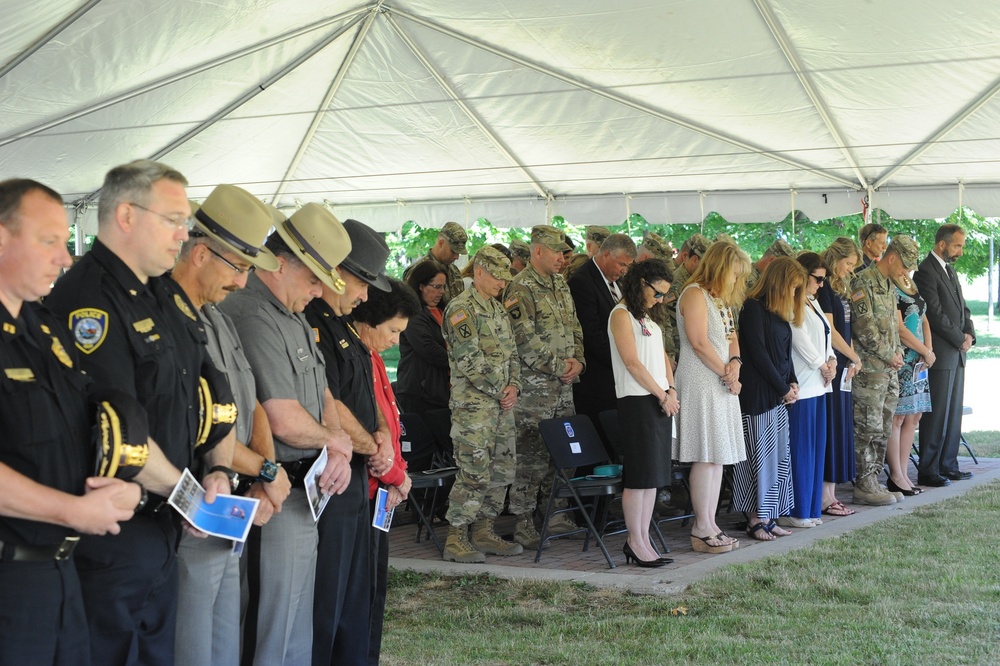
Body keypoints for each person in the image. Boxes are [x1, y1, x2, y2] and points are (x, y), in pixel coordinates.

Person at [46, 160, 234, 666]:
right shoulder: (89, 302)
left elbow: (210, 394)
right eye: (173, 220)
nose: (184, 234)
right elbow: (119, 430)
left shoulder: (164, 297)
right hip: (113, 538)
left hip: (161, 530)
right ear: (126, 215)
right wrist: (187, 495)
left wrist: (216, 469)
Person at [0, 178, 140, 666]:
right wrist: (71, 511)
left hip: (59, 577)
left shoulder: (43, 329)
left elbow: (85, 425)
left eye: (65, 242)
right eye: (48, 241)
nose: (64, 258)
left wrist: (124, 486)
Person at [217, 203, 354, 665]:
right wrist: (334, 443)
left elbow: (324, 395)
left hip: (302, 488)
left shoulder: (291, 313)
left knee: (293, 619)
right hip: (270, 491)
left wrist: (337, 445)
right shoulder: (252, 313)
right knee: (268, 623)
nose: (319, 292)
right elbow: (280, 416)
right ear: (280, 263)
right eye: (314, 278)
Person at [168, 186, 291, 666]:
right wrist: (264, 472)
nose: (244, 282)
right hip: (193, 507)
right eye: (238, 266)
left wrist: (264, 475)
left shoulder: (217, 317)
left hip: (232, 499)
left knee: (224, 639)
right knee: (193, 644)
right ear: (201, 253)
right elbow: (200, 425)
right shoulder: (169, 320)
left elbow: (253, 403)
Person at [304, 218, 395, 665]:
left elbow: (366, 392)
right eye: (362, 283)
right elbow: (330, 402)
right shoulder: (313, 324)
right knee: (329, 599)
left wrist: (381, 435)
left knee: (355, 596)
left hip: (358, 476)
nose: (364, 296)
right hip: (333, 478)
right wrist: (373, 446)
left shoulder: (341, 327)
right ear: (338, 272)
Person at [504, 225, 586, 549]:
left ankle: (555, 512)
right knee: (531, 457)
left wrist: (578, 361)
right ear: (537, 251)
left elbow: (576, 329)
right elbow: (523, 340)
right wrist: (559, 368)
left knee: (564, 452)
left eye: (564, 252)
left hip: (563, 388)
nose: (562, 258)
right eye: (556, 252)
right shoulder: (519, 288)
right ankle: (523, 521)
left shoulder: (561, 286)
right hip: (535, 390)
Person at [352, 278, 420, 663]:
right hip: (371, 487)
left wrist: (401, 473)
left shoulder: (374, 356)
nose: (395, 340)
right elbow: (373, 438)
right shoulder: (359, 355)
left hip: (386, 487)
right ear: (372, 319)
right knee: (361, 592)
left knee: (375, 593)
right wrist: (398, 477)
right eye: (393, 330)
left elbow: (391, 423)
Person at [442, 246, 522, 563]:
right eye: (497, 278)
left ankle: (483, 532)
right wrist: (501, 389)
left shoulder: (498, 309)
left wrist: (513, 385)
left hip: (502, 407)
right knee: (473, 472)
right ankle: (455, 538)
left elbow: (512, 355)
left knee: (502, 470)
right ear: (479, 272)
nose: (502, 284)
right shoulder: (461, 309)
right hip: (474, 408)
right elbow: (469, 360)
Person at [674, 240, 749, 554]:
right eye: (734, 273)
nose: (736, 280)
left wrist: (735, 365)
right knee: (706, 454)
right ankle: (701, 526)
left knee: (718, 455)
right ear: (719, 268)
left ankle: (710, 522)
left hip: (720, 379)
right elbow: (699, 342)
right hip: (700, 381)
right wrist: (725, 372)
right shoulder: (694, 294)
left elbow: (732, 339)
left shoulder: (721, 300)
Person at [608, 259, 679, 567]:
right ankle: (634, 540)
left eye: (663, 294)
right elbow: (632, 363)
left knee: (653, 477)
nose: (659, 299)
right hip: (638, 401)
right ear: (641, 283)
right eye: (657, 292)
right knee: (639, 476)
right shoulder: (620, 315)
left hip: (660, 399)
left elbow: (663, 357)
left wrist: (672, 390)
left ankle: (644, 537)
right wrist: (662, 394)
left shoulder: (647, 319)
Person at [731, 257, 805, 540]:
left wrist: (793, 381)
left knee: (776, 458)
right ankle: (755, 519)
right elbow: (759, 356)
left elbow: (785, 354)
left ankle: (769, 514)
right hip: (759, 394)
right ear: (778, 282)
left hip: (777, 394)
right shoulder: (753, 308)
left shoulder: (778, 313)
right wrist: (782, 387)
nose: (793, 293)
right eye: (792, 287)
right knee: (756, 458)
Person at [850, 235, 918, 506]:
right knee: (868, 427)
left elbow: (891, 324)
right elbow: (863, 327)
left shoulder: (889, 285)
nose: (906, 272)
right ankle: (863, 484)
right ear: (892, 258)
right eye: (904, 266)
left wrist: (897, 353)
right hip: (870, 371)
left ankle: (875, 480)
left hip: (889, 370)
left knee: (884, 428)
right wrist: (888, 353)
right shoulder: (862, 282)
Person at [913, 223, 976, 486]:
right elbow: (934, 314)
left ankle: (948, 464)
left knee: (952, 413)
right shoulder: (926, 272)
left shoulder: (949, 270)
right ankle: (928, 470)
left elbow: (963, 308)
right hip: (940, 353)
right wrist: (958, 338)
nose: (960, 251)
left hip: (957, 353)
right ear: (942, 244)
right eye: (957, 245)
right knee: (936, 413)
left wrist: (969, 333)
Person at [779, 252, 836, 529]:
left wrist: (832, 361)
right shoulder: (792, 303)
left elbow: (827, 335)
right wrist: (822, 364)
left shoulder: (812, 301)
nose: (821, 284)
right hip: (804, 383)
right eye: (818, 278)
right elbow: (799, 339)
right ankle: (797, 509)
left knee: (816, 449)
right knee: (801, 449)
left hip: (820, 385)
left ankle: (812, 507)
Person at [567, 233, 638, 455]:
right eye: (621, 264)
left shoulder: (619, 282)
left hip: (616, 377)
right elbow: (591, 334)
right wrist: (624, 361)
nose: (624, 270)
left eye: (628, 266)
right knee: (600, 445)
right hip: (597, 380)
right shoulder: (582, 281)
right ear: (606, 254)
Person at [816, 237, 863, 517]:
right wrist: (853, 356)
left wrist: (854, 356)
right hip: (832, 365)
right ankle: (824, 496)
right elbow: (831, 331)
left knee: (841, 426)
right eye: (848, 264)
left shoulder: (840, 287)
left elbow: (847, 329)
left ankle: (831, 493)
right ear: (836, 259)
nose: (849, 270)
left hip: (845, 364)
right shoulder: (825, 289)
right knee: (831, 427)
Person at [887, 267, 933, 496]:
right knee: (899, 416)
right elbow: (900, 328)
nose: (911, 266)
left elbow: (924, 319)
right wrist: (924, 350)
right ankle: (895, 475)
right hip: (903, 358)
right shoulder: (890, 285)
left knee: (915, 416)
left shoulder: (910, 283)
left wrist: (928, 351)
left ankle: (904, 473)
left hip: (920, 361)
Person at [397, 262, 449, 417]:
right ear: (420, 286)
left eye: (443, 287)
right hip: (420, 393)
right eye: (436, 287)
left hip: (441, 390)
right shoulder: (413, 313)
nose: (441, 292)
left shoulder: (443, 309)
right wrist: (461, 362)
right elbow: (428, 349)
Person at [665, 233, 710, 364]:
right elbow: (668, 325)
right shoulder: (675, 285)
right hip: (680, 356)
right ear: (694, 259)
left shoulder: (696, 282)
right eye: (706, 266)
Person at [402, 221, 468, 301]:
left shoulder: (455, 271)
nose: (456, 257)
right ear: (441, 243)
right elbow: (409, 305)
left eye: (459, 253)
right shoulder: (417, 270)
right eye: (453, 251)